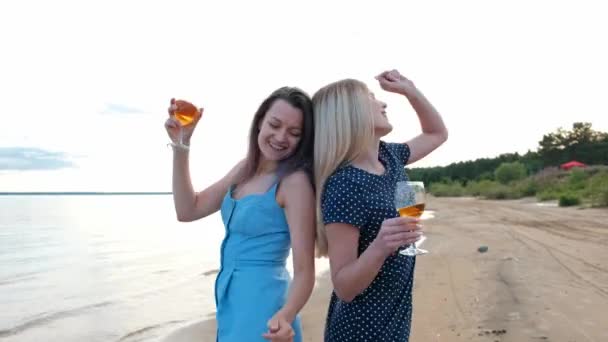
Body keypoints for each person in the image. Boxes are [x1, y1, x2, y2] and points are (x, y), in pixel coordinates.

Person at [164, 86, 317, 342]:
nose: (281, 137)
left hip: (266, 309)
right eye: (275, 124)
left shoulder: (294, 182)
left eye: (294, 133)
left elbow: (305, 271)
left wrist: (286, 316)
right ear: (260, 123)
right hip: (231, 303)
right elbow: (187, 210)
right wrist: (182, 144)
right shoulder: (244, 169)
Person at [312, 69, 448, 341]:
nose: (383, 103)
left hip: (394, 319)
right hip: (361, 332)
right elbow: (344, 287)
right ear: (349, 114)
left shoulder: (390, 155)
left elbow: (437, 133)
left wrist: (410, 89)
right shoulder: (345, 184)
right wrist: (381, 245)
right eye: (371, 98)